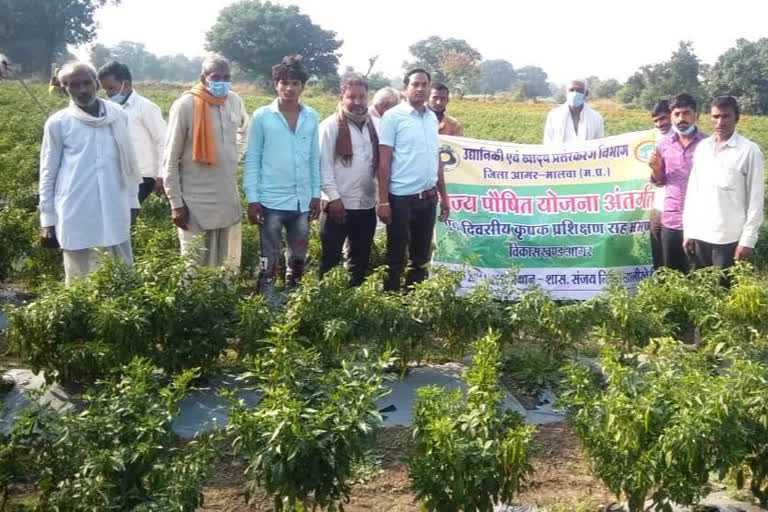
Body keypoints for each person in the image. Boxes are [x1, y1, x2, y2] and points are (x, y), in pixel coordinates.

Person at [39, 62, 141, 283]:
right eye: (74, 85)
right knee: (81, 283)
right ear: (64, 88)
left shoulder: (118, 115)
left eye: (87, 83)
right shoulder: (58, 123)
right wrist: (47, 221)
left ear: (96, 83)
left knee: (120, 279)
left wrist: (133, 202)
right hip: (76, 209)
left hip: (115, 205)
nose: (82, 90)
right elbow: (48, 172)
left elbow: (128, 163)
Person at [244, 55, 321, 299]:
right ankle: (266, 299)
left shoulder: (311, 117)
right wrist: (252, 198)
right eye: (284, 82)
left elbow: (313, 159)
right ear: (276, 84)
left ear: (302, 87)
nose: (289, 88)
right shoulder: (262, 116)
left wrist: (315, 194)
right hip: (270, 201)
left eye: (295, 83)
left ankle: (294, 296)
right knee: (269, 256)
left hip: (301, 201)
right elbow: (253, 158)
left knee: (298, 255)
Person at [163, 54, 249, 270]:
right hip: (194, 201)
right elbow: (170, 158)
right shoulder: (185, 105)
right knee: (194, 264)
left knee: (227, 263)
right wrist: (176, 204)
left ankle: (223, 302)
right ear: (204, 79)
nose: (222, 82)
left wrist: (233, 157)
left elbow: (244, 131)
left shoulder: (234, 100)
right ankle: (192, 304)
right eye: (216, 77)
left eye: (226, 77)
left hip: (226, 197)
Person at [377, 68, 450, 292]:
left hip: (427, 198)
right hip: (401, 199)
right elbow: (383, 161)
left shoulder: (430, 118)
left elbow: (435, 159)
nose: (420, 89)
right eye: (415, 84)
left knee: (421, 257)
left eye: (424, 84)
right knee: (396, 255)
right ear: (405, 88)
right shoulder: (393, 117)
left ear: (429, 88)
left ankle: (412, 300)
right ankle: (391, 301)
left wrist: (444, 196)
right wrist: (383, 201)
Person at [683, 96, 765, 272]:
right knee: (701, 292)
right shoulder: (703, 148)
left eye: (726, 116)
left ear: (737, 118)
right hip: (701, 234)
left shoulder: (749, 151)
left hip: (729, 238)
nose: (720, 122)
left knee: (725, 293)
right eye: (715, 116)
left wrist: (747, 240)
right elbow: (693, 193)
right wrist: (688, 231)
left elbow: (756, 200)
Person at [318, 74, 379, 286]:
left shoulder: (375, 126)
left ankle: (353, 306)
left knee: (359, 260)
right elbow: (322, 166)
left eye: (362, 96)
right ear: (341, 97)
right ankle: (328, 304)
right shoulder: (330, 126)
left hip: (366, 204)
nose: (358, 102)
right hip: (337, 205)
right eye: (351, 97)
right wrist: (334, 199)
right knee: (330, 260)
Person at [649, 94, 707, 273]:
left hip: (701, 220)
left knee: (701, 274)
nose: (681, 119)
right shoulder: (663, 145)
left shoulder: (708, 144)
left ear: (696, 115)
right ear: (672, 116)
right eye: (677, 114)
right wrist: (656, 170)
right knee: (671, 274)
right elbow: (660, 182)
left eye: (686, 113)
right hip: (672, 219)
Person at [98, 61, 167, 207]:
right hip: (118, 173)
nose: (108, 93)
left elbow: (163, 141)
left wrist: (162, 174)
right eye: (105, 89)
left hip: (143, 175)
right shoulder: (109, 109)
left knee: (126, 215)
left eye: (111, 88)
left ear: (127, 85)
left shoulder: (146, 108)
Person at [648, 100, 672, 271]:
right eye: (656, 121)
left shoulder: (683, 141)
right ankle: (662, 291)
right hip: (658, 204)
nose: (660, 124)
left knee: (674, 255)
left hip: (676, 207)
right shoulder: (655, 138)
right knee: (658, 253)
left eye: (663, 119)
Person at [543, 79, 604, 144]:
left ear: (586, 93)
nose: (575, 93)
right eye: (571, 90)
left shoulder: (596, 117)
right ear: (565, 92)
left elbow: (599, 144)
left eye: (579, 90)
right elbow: (548, 142)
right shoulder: (554, 115)